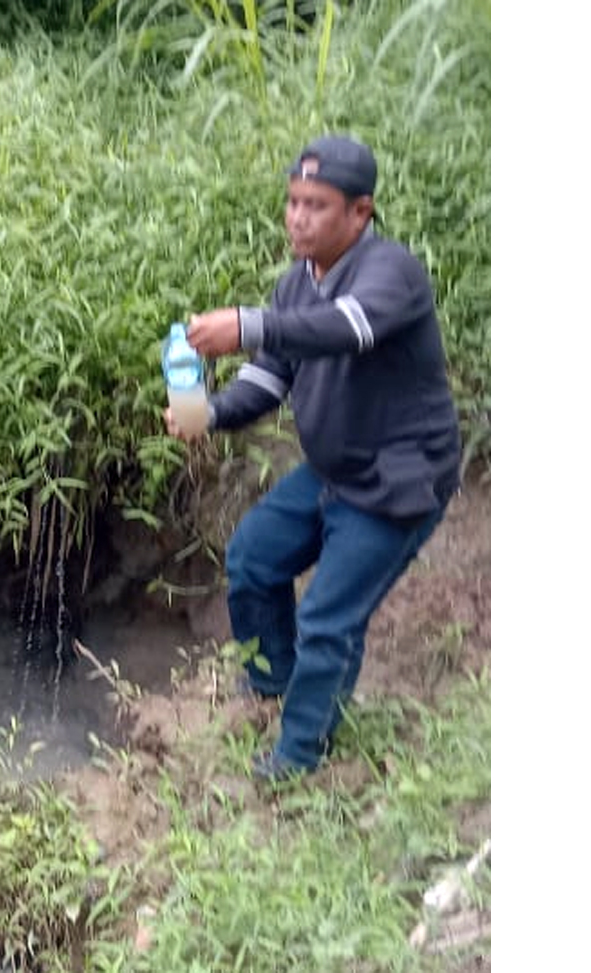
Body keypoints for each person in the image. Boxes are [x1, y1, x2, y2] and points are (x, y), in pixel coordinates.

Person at [165, 134, 462, 783]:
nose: (298, 217)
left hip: (396, 480)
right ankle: (272, 687)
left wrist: (249, 324)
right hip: (332, 470)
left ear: (361, 213)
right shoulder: (295, 284)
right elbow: (270, 379)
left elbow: (348, 328)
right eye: (294, 201)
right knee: (252, 557)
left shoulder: (391, 273)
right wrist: (209, 413)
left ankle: (299, 759)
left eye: (318, 205)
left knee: (329, 616)